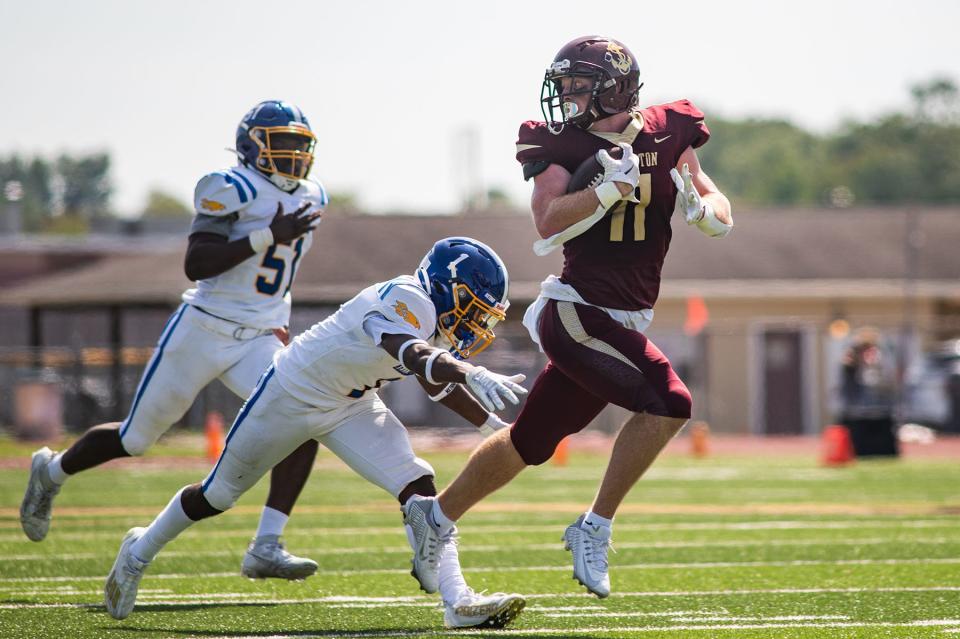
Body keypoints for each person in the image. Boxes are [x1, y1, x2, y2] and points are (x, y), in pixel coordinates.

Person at [403, 36, 734, 599]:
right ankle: (595, 524)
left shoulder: (670, 128)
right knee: (671, 402)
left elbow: (716, 203)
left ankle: (434, 518)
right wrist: (606, 191)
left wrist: (704, 210)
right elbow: (548, 219)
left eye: (579, 86)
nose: (567, 98)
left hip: (625, 319)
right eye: (564, 86)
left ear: (615, 88)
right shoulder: (558, 142)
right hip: (575, 312)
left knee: (530, 441)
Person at [103, 237, 528, 629]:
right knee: (217, 495)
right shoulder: (407, 299)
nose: (476, 324)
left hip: (350, 405)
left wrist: (492, 426)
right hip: (289, 395)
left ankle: (457, 601)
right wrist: (472, 371)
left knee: (418, 483)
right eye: (472, 309)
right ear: (445, 287)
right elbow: (413, 354)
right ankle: (139, 551)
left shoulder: (436, 321)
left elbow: (435, 382)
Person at [21, 100, 327, 580]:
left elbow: (279, 275)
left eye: (297, 144)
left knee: (305, 416)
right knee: (137, 437)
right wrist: (268, 235)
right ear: (252, 146)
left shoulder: (314, 195)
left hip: (256, 337)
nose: (291, 154)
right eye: (280, 143)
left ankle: (267, 544)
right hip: (203, 328)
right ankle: (52, 472)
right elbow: (198, 263)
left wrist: (275, 314)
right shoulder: (230, 187)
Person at [840, 327, 899, 456]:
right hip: (858, 410)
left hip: (879, 409)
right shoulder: (851, 361)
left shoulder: (880, 358)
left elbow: (883, 381)